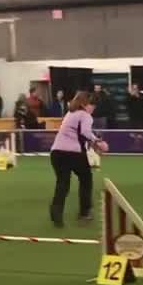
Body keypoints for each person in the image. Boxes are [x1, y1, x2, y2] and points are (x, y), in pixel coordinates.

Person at [48, 92, 108, 227]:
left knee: (62, 184)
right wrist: (99, 142)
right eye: (91, 104)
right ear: (83, 104)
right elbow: (85, 132)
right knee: (86, 179)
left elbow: (79, 134)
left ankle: (56, 213)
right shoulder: (85, 115)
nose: (93, 107)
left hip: (56, 153)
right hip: (73, 153)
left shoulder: (70, 113)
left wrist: (93, 143)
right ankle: (85, 212)